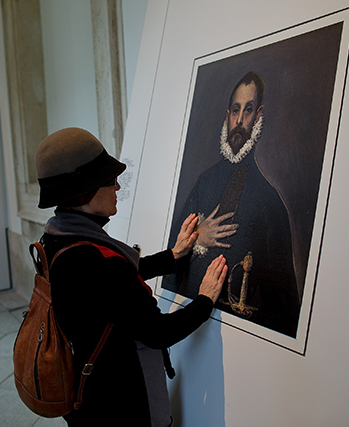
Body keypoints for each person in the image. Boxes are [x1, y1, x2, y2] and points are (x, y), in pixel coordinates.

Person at [35, 127, 228, 426]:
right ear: (85, 191)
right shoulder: (100, 263)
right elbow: (158, 332)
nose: (117, 188)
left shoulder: (56, 239)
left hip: (87, 400)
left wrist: (172, 257)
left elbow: (109, 290)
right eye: (110, 180)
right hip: (123, 406)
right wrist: (204, 300)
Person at [163, 71, 302, 338]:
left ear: (258, 116)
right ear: (227, 116)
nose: (239, 121)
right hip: (186, 326)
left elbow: (286, 311)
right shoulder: (204, 182)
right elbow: (170, 256)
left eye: (248, 111)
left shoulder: (271, 204)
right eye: (235, 110)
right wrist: (197, 236)